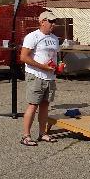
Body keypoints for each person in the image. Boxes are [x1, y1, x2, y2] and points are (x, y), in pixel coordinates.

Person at [18, 10, 61, 146]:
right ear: (42, 22)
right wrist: (43, 67)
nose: (53, 24)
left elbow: (55, 57)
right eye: (50, 21)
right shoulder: (33, 36)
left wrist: (59, 66)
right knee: (33, 104)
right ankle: (26, 136)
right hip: (36, 76)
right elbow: (23, 57)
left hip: (50, 76)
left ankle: (43, 133)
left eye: (54, 22)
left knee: (45, 105)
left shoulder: (54, 38)